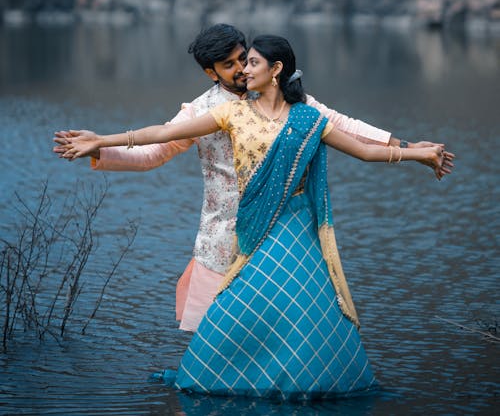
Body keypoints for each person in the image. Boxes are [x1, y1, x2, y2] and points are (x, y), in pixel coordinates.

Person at [57, 34, 450, 401]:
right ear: (212, 73)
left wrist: (408, 147)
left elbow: (348, 131)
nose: (241, 69)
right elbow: (153, 147)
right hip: (225, 231)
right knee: (222, 326)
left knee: (289, 320)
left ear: (270, 66)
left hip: (286, 227)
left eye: (246, 59)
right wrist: (99, 145)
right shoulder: (212, 111)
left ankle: (287, 385)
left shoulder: (301, 110)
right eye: (230, 65)